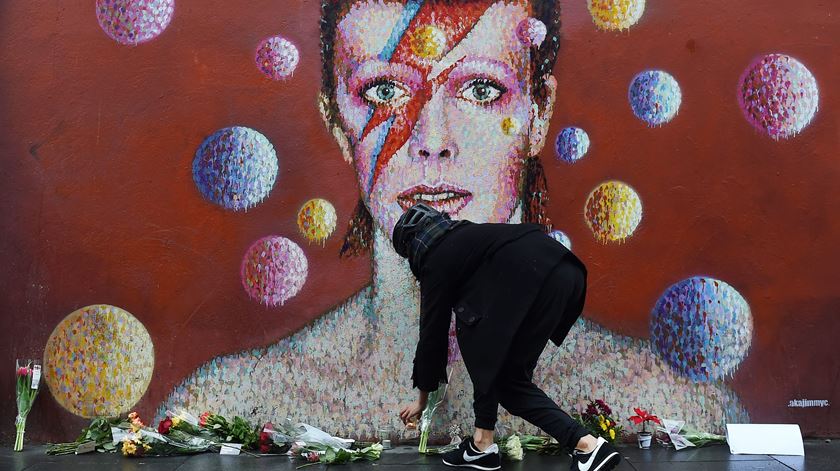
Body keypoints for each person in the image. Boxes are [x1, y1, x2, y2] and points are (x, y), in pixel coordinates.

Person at [159, 0, 747, 443]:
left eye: (481, 89)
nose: (431, 141)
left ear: (537, 111)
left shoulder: (672, 404)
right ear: (337, 122)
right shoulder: (234, 403)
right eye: (385, 89)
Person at [392, 203, 621, 470]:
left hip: (533, 281)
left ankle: (587, 446)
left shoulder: (436, 259)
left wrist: (421, 398)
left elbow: (432, 334)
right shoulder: (469, 237)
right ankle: (482, 443)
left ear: (412, 246)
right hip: (565, 272)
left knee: (507, 382)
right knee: (488, 351)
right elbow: (484, 351)